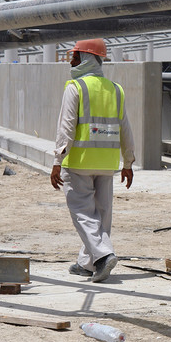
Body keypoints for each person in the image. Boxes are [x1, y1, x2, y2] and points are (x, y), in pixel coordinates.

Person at [50, 39, 135, 283]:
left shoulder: (75, 87)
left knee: (83, 213)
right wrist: (128, 162)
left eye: (75, 56)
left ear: (87, 57)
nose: (71, 60)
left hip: (79, 161)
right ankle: (88, 263)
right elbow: (126, 129)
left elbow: (66, 127)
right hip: (106, 163)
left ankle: (103, 255)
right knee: (102, 213)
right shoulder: (115, 89)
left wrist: (58, 160)